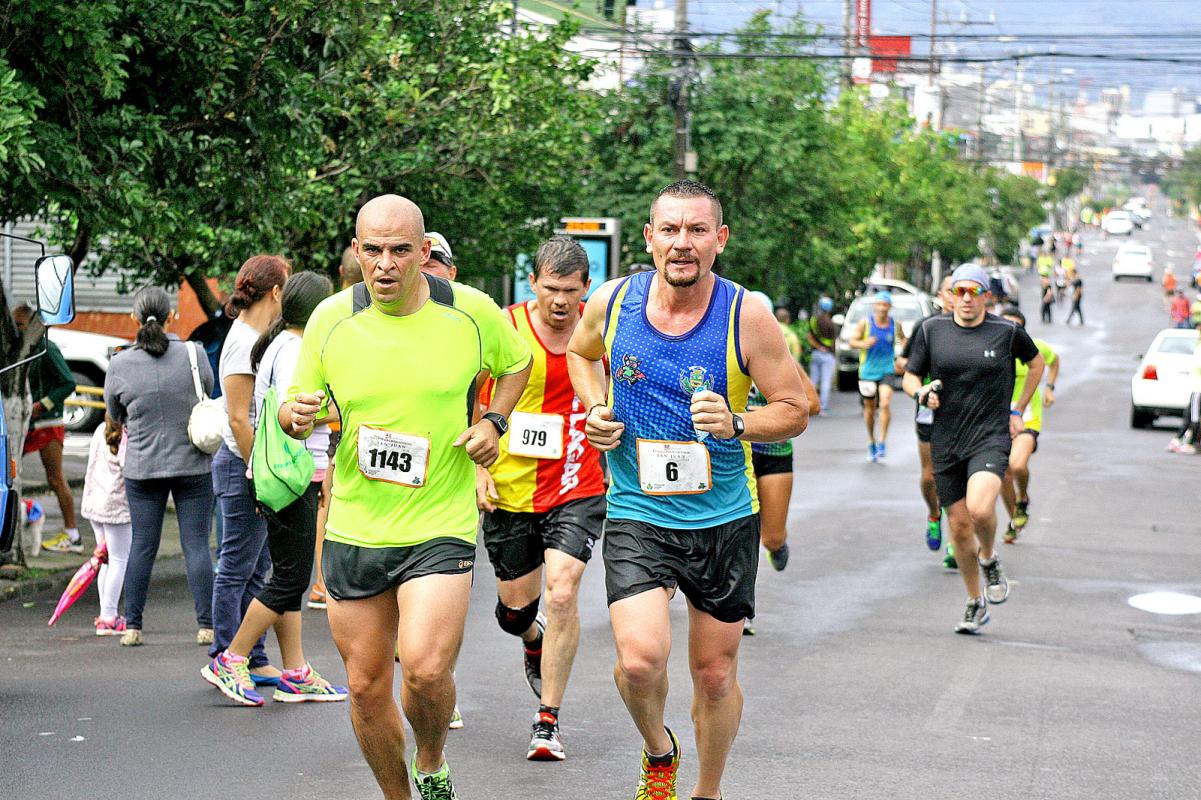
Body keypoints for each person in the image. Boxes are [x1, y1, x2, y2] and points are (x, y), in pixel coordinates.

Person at [279, 194, 531, 800]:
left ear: (423, 253)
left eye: (399, 251)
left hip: (438, 521)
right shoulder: (330, 320)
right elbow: (295, 405)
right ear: (356, 254)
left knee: (422, 668)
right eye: (373, 251)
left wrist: (494, 422)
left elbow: (517, 363)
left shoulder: (470, 313)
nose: (385, 264)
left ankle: (433, 758)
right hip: (355, 527)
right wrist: (294, 415)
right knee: (366, 687)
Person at [566, 180, 808, 800]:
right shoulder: (613, 303)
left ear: (719, 240)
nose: (682, 244)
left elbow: (794, 407)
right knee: (640, 661)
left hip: (723, 516)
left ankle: (708, 789)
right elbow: (580, 353)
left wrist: (737, 423)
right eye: (669, 230)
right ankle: (659, 750)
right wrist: (596, 409)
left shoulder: (744, 314)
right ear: (649, 238)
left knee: (715, 673)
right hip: (636, 508)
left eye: (697, 230)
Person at [474, 235, 606, 761]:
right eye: (550, 288)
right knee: (514, 611)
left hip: (577, 484)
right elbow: (469, 397)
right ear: (532, 282)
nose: (559, 301)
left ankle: (547, 719)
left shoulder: (597, 332)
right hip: (509, 487)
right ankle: (531, 635)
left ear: (585, 288)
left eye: (570, 291)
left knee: (563, 590)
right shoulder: (503, 328)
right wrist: (477, 471)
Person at [202, 271, 348, 707]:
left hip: (288, 475)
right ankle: (231, 658)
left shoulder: (284, 343)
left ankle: (296, 670)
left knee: (286, 574)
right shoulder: (295, 350)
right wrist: (342, 409)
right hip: (290, 477)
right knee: (288, 579)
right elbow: (294, 414)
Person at [903, 263, 1044, 634]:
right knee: (959, 527)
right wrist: (920, 392)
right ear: (951, 295)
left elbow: (1037, 363)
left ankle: (990, 557)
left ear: (986, 296)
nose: (965, 298)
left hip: (989, 436)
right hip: (947, 439)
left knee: (981, 510)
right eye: (959, 291)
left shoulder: (1007, 331)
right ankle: (974, 601)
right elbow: (910, 374)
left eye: (973, 291)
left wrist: (1018, 408)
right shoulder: (932, 331)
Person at [104, 286, 216, 647]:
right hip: (193, 463)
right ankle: (207, 625)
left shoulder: (120, 363)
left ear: (135, 319)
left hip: (142, 467)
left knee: (141, 546)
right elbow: (207, 395)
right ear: (171, 317)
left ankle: (133, 626)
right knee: (197, 545)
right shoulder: (194, 354)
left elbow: (115, 415)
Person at [210, 254, 290, 682]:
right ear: (276, 292)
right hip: (241, 465)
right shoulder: (242, 341)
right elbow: (240, 418)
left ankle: (253, 657)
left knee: (258, 569)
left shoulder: (257, 335)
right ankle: (227, 655)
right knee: (236, 567)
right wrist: (259, 473)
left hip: (251, 464)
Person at [742, 291, 821, 637]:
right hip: (734, 454)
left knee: (769, 536)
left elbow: (812, 404)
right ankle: (742, 609)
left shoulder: (782, 358)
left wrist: (763, 415)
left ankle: (778, 544)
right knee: (739, 532)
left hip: (774, 452)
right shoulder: (722, 352)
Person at [12, 304, 79, 553]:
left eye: (19, 326)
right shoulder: (21, 349)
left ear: (30, 324)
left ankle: (72, 535)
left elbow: (68, 382)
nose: (15, 331)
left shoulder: (46, 348)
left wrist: (43, 405)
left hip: (47, 422)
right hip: (26, 422)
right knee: (9, 474)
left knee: (55, 478)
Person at [896, 275, 954, 558]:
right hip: (929, 410)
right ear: (941, 296)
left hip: (965, 414)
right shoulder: (926, 327)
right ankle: (934, 515)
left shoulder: (980, 329)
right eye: (952, 291)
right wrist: (919, 381)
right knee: (931, 476)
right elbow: (904, 364)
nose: (958, 296)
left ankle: (958, 537)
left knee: (961, 477)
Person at [997, 308, 1059, 543]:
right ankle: (1013, 518)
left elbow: (1054, 361)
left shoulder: (1035, 348)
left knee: (1016, 464)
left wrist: (1050, 388)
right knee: (1004, 473)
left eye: (1017, 326)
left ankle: (1022, 496)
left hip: (1027, 417)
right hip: (998, 418)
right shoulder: (991, 350)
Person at [81, 415, 131, 636]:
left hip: (94, 501)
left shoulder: (101, 429)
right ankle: (109, 618)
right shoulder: (127, 435)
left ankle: (106, 613)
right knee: (119, 560)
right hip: (117, 505)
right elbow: (129, 468)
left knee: (106, 560)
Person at [849, 290, 905, 462]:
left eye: (885, 305)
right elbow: (852, 341)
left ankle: (882, 441)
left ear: (889, 307)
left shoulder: (895, 325)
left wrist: (903, 356)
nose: (882, 308)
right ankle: (871, 440)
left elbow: (904, 340)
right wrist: (863, 343)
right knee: (870, 409)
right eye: (879, 304)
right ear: (875, 306)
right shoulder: (865, 323)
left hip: (887, 370)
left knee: (885, 403)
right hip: (867, 372)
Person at [806, 296, 838, 413]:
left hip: (815, 353)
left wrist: (818, 347)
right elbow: (833, 342)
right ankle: (822, 407)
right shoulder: (830, 323)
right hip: (827, 355)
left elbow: (809, 337)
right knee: (825, 381)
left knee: (813, 380)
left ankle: (811, 404)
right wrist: (833, 354)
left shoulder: (813, 320)